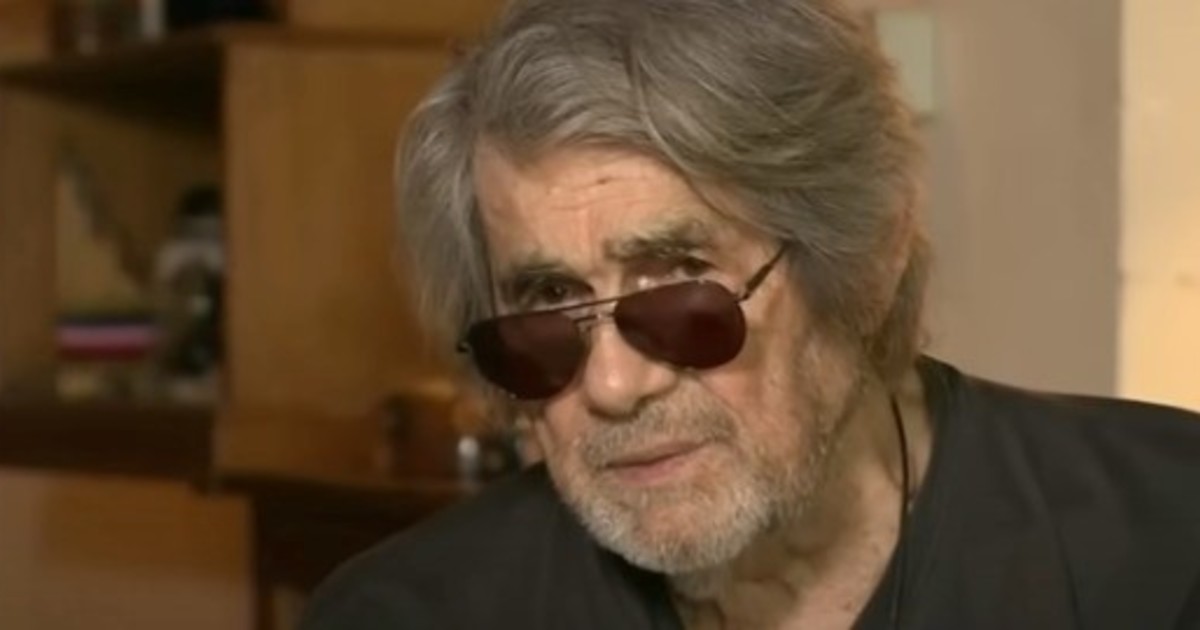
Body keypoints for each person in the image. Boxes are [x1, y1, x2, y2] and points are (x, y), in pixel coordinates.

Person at [301, 0, 1200, 628]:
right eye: (548, 303)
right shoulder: (407, 613)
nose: (611, 384)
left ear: (870, 257)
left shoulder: (1169, 542)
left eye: (681, 285)